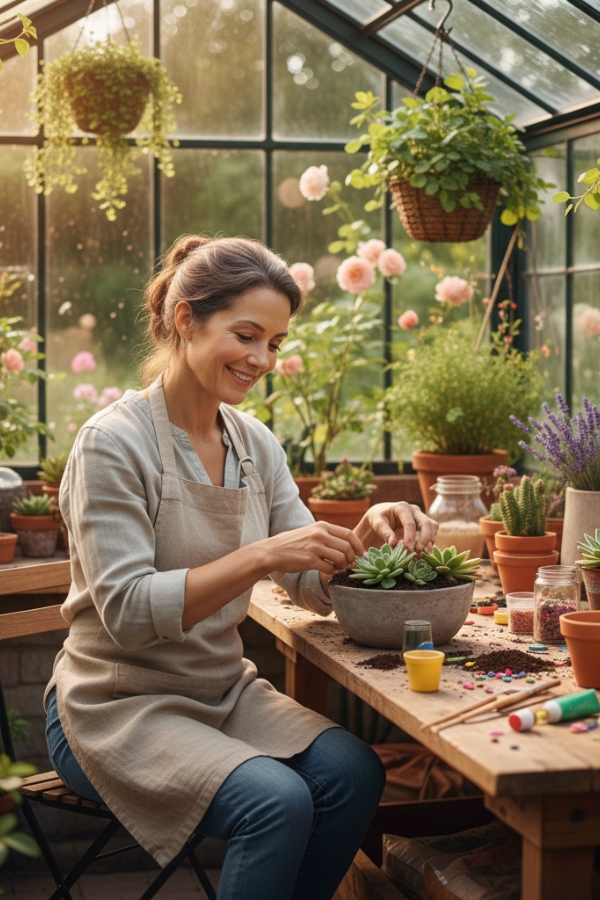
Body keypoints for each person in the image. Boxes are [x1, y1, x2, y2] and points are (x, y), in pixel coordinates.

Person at [45, 235, 438, 900]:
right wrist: (260, 554)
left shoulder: (255, 444)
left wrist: (367, 539)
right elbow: (129, 613)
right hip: (116, 705)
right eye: (247, 335)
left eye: (275, 343)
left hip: (219, 691)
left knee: (354, 771)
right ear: (185, 320)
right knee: (276, 802)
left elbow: (308, 584)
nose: (262, 360)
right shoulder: (111, 445)